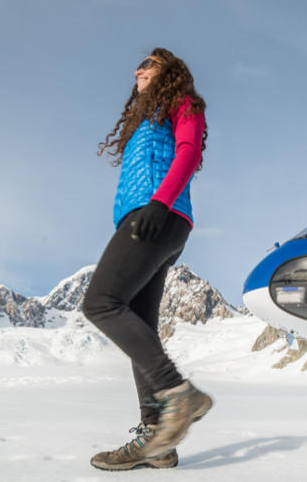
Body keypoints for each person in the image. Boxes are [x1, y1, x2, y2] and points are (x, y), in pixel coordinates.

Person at [83, 48, 213, 470]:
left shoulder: (184, 103)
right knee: (139, 326)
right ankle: (157, 440)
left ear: (170, 73)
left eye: (149, 65)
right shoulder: (144, 120)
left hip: (157, 216)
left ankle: (178, 393)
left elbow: (189, 152)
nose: (138, 70)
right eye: (138, 66)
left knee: (101, 303)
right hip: (149, 219)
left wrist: (158, 204)